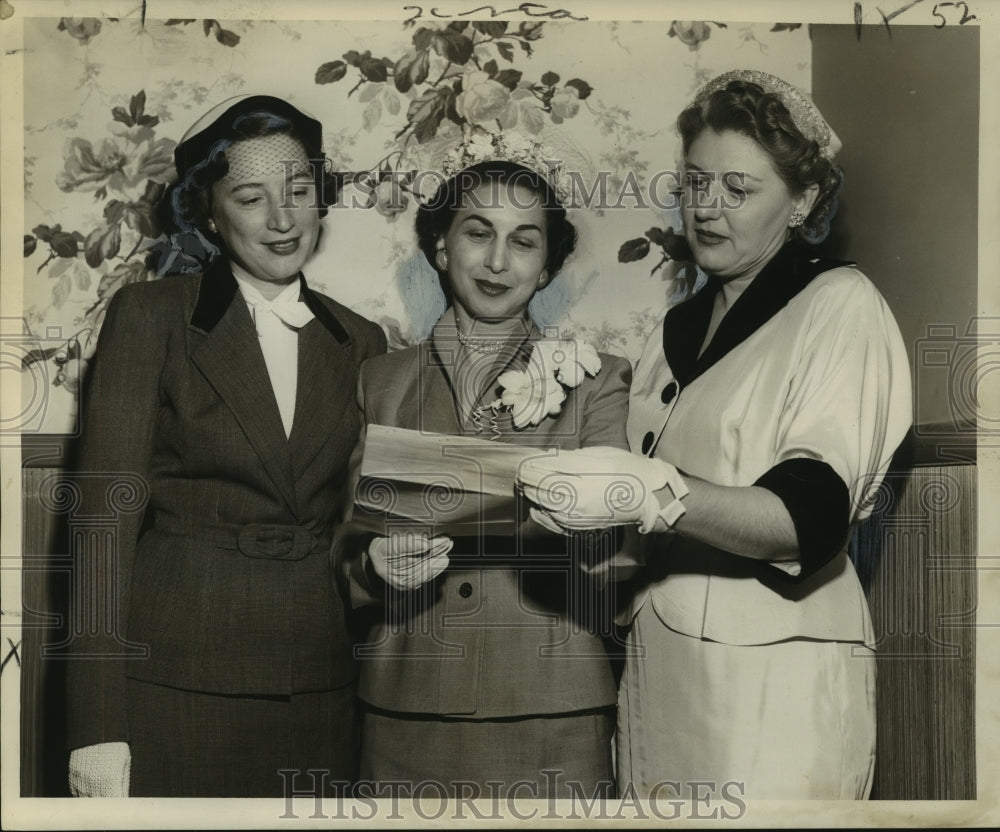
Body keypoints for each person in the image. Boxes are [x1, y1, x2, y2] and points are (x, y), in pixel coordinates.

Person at [519, 70, 912, 799]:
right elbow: (644, 523)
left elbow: (807, 518)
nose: (706, 208)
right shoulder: (672, 332)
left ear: (801, 202)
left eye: (739, 190)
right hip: (662, 669)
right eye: (696, 182)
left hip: (774, 680)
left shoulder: (840, 306)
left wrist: (651, 494)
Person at [65, 94, 387, 797]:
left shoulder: (360, 341)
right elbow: (101, 527)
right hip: (176, 681)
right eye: (251, 196)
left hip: (321, 689)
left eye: (301, 191)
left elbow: (357, 530)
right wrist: (95, 725)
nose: (283, 219)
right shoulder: (151, 318)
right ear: (209, 213)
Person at [342, 140, 632, 798]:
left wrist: (585, 522)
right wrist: (371, 565)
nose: (499, 261)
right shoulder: (380, 381)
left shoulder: (596, 381)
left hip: (552, 709)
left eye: (525, 241)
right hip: (403, 710)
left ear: (547, 267)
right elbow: (347, 542)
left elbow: (623, 558)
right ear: (442, 249)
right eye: (478, 233)